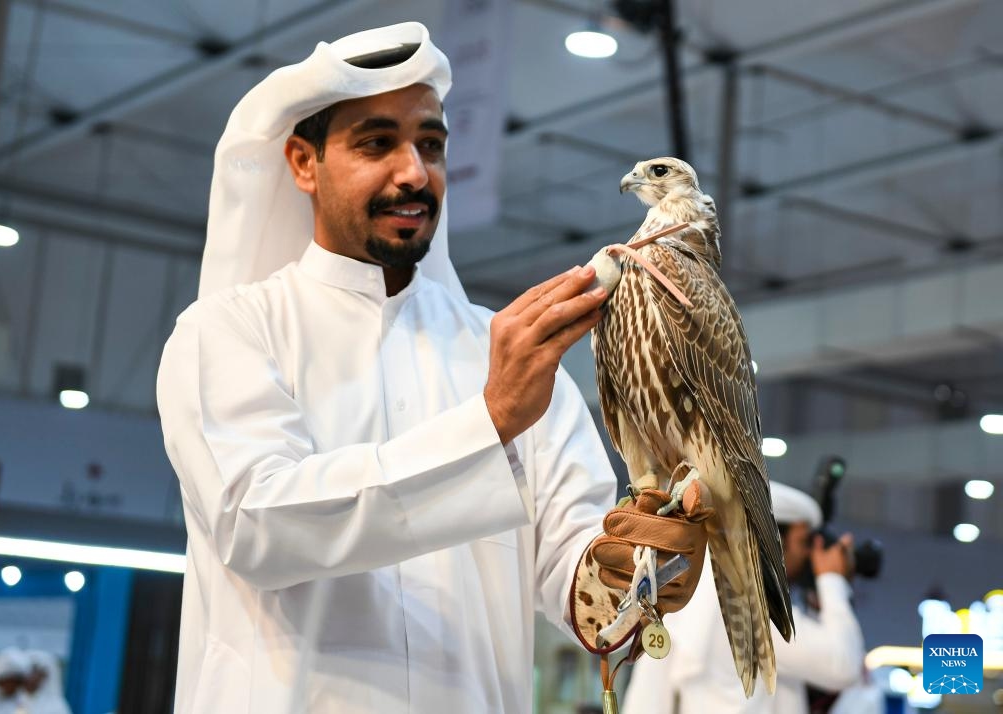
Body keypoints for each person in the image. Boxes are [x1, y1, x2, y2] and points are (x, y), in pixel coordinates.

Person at [156, 22, 708, 713]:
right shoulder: (227, 332)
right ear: (303, 162)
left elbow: (583, 580)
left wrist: (644, 569)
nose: (414, 172)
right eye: (376, 143)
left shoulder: (508, 349)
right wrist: (491, 420)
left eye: (431, 145)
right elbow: (258, 525)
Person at [622, 481, 866, 714]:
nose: (809, 557)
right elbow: (843, 665)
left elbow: (647, 699)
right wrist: (832, 580)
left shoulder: (691, 592)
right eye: (804, 543)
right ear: (774, 545)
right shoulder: (753, 605)